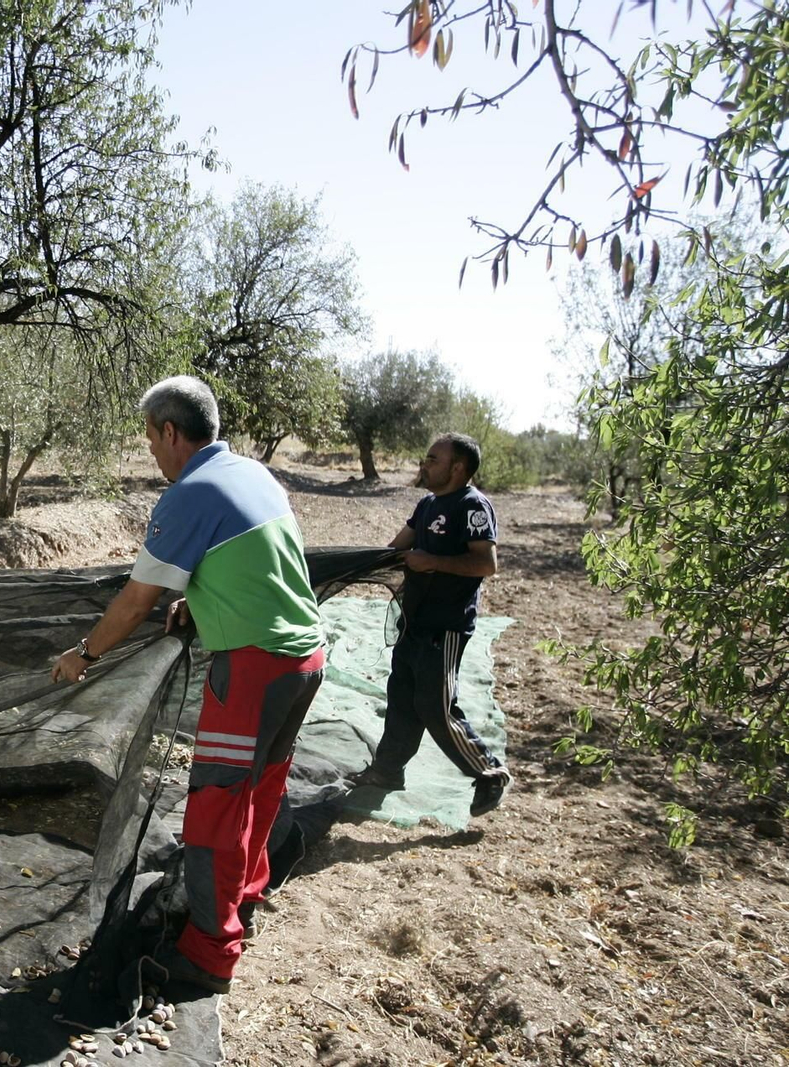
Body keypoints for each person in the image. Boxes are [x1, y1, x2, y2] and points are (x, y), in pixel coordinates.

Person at [50, 375, 325, 995]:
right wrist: (200, 601)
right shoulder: (252, 474)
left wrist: (83, 654)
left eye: (150, 438)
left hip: (253, 670)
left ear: (171, 432)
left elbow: (135, 602)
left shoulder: (189, 494)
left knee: (215, 809)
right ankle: (243, 900)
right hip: (305, 661)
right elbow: (256, 567)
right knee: (258, 792)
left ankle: (209, 954)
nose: (151, 450)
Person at [347, 432, 512, 816]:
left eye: (434, 459)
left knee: (435, 705)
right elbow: (397, 548)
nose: (425, 464)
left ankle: (489, 772)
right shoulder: (427, 505)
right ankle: (388, 770)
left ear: (457, 467)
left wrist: (433, 561)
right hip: (413, 620)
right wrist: (350, 563)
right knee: (402, 696)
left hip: (445, 625)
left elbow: (486, 564)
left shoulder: (472, 506)